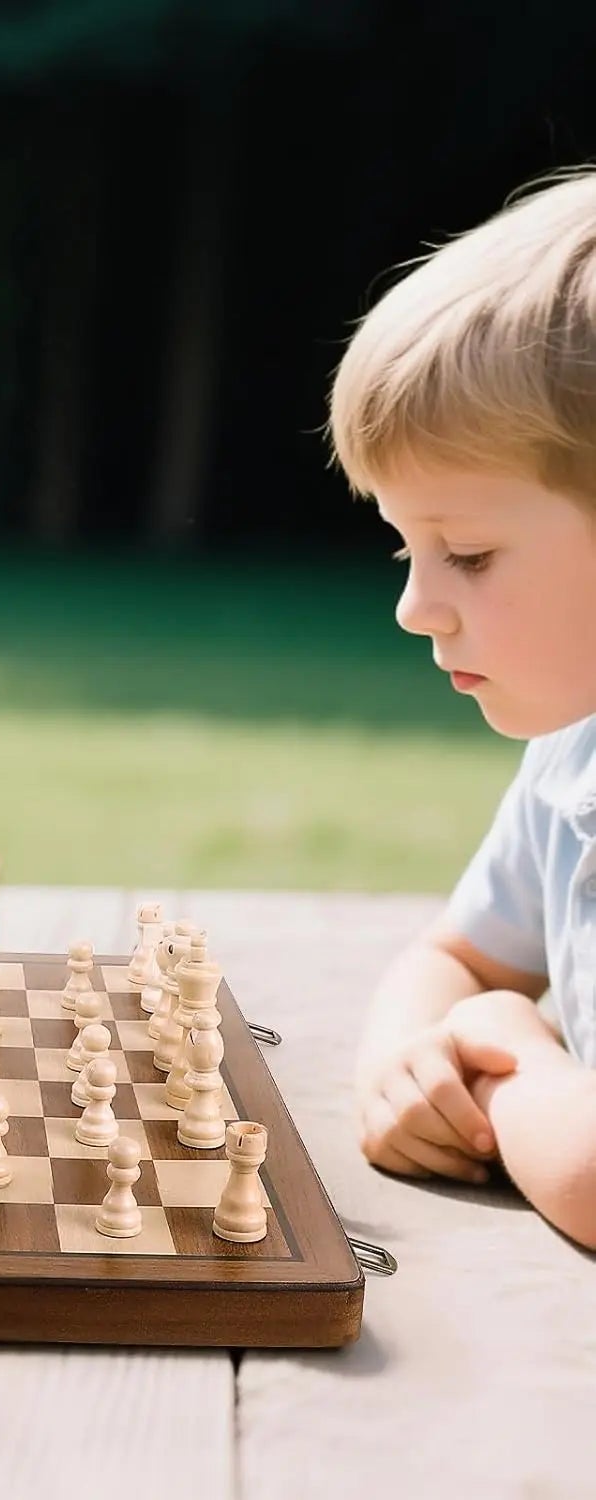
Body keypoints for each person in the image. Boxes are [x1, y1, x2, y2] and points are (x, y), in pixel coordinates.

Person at [331, 167, 596, 1248]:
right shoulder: (573, 754)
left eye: (468, 554)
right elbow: (460, 958)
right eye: (409, 547)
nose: (412, 607)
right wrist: (410, 1059)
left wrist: (511, 1059)